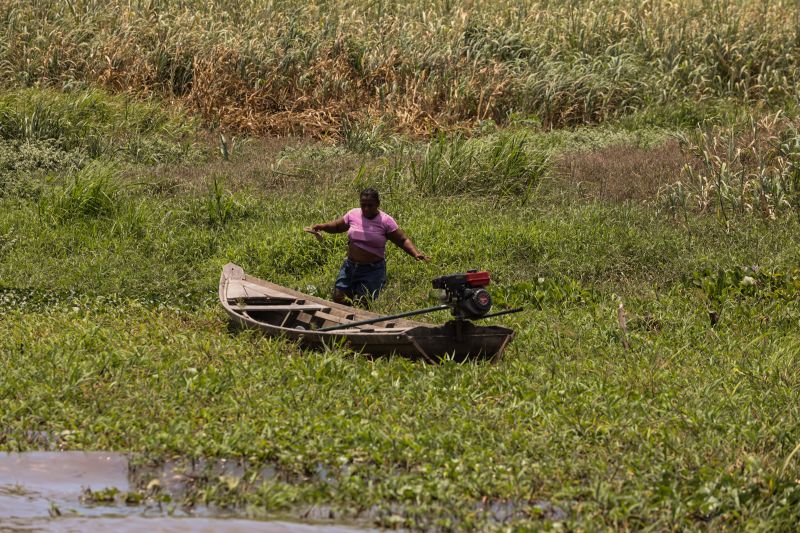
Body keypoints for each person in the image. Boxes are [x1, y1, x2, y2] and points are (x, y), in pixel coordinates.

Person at [307, 188, 429, 305]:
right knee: (339, 296)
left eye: (370, 205)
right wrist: (322, 226)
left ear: (378, 204)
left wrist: (415, 253)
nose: (366, 208)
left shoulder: (385, 221)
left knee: (363, 301)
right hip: (350, 266)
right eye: (363, 205)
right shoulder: (353, 214)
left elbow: (402, 240)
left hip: (372, 270)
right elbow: (337, 226)